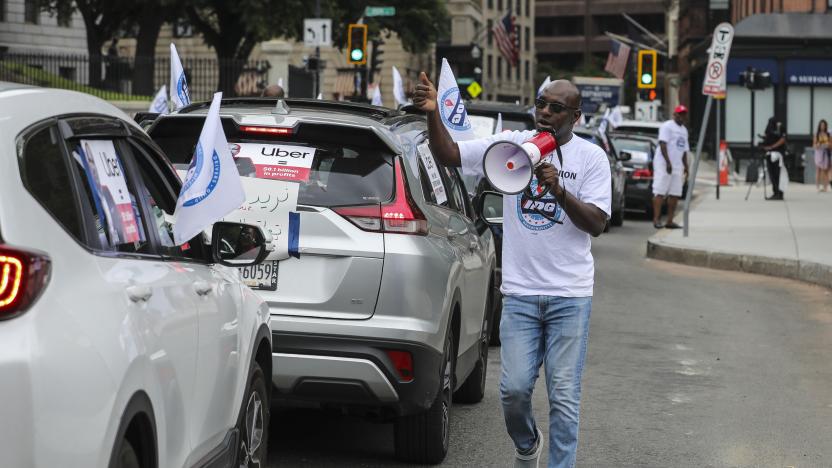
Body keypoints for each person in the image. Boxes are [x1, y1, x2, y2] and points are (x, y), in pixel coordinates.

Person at [413, 72, 611, 468]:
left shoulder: (592, 158)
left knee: (564, 397)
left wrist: (559, 190)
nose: (545, 113)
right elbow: (451, 154)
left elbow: (597, 223)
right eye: (541, 104)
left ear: (576, 116)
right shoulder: (513, 145)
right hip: (520, 295)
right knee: (514, 392)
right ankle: (526, 445)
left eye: (556, 108)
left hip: (569, 296)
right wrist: (434, 113)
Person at [651, 105, 689, 229]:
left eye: (684, 114)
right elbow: (663, 144)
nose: (681, 116)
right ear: (675, 114)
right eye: (679, 114)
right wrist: (668, 162)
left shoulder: (684, 130)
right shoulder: (667, 126)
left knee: (675, 193)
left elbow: (684, 150)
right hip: (664, 164)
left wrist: (686, 166)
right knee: (660, 191)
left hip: (677, 165)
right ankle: (656, 219)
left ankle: (670, 221)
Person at [761, 117, 787, 200]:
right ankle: (777, 192)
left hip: (776, 155)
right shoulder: (770, 130)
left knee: (776, 175)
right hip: (772, 154)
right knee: (774, 175)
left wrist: (771, 147)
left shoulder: (780, 129)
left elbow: (783, 140)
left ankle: (778, 193)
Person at [813, 119, 830, 192]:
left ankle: (825, 187)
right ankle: (817, 186)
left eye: (824, 125)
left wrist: (827, 145)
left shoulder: (828, 134)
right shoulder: (816, 134)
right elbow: (814, 145)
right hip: (819, 152)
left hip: (826, 152)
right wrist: (818, 144)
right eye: (821, 125)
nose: (822, 127)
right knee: (818, 170)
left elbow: (830, 144)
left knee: (825, 170)